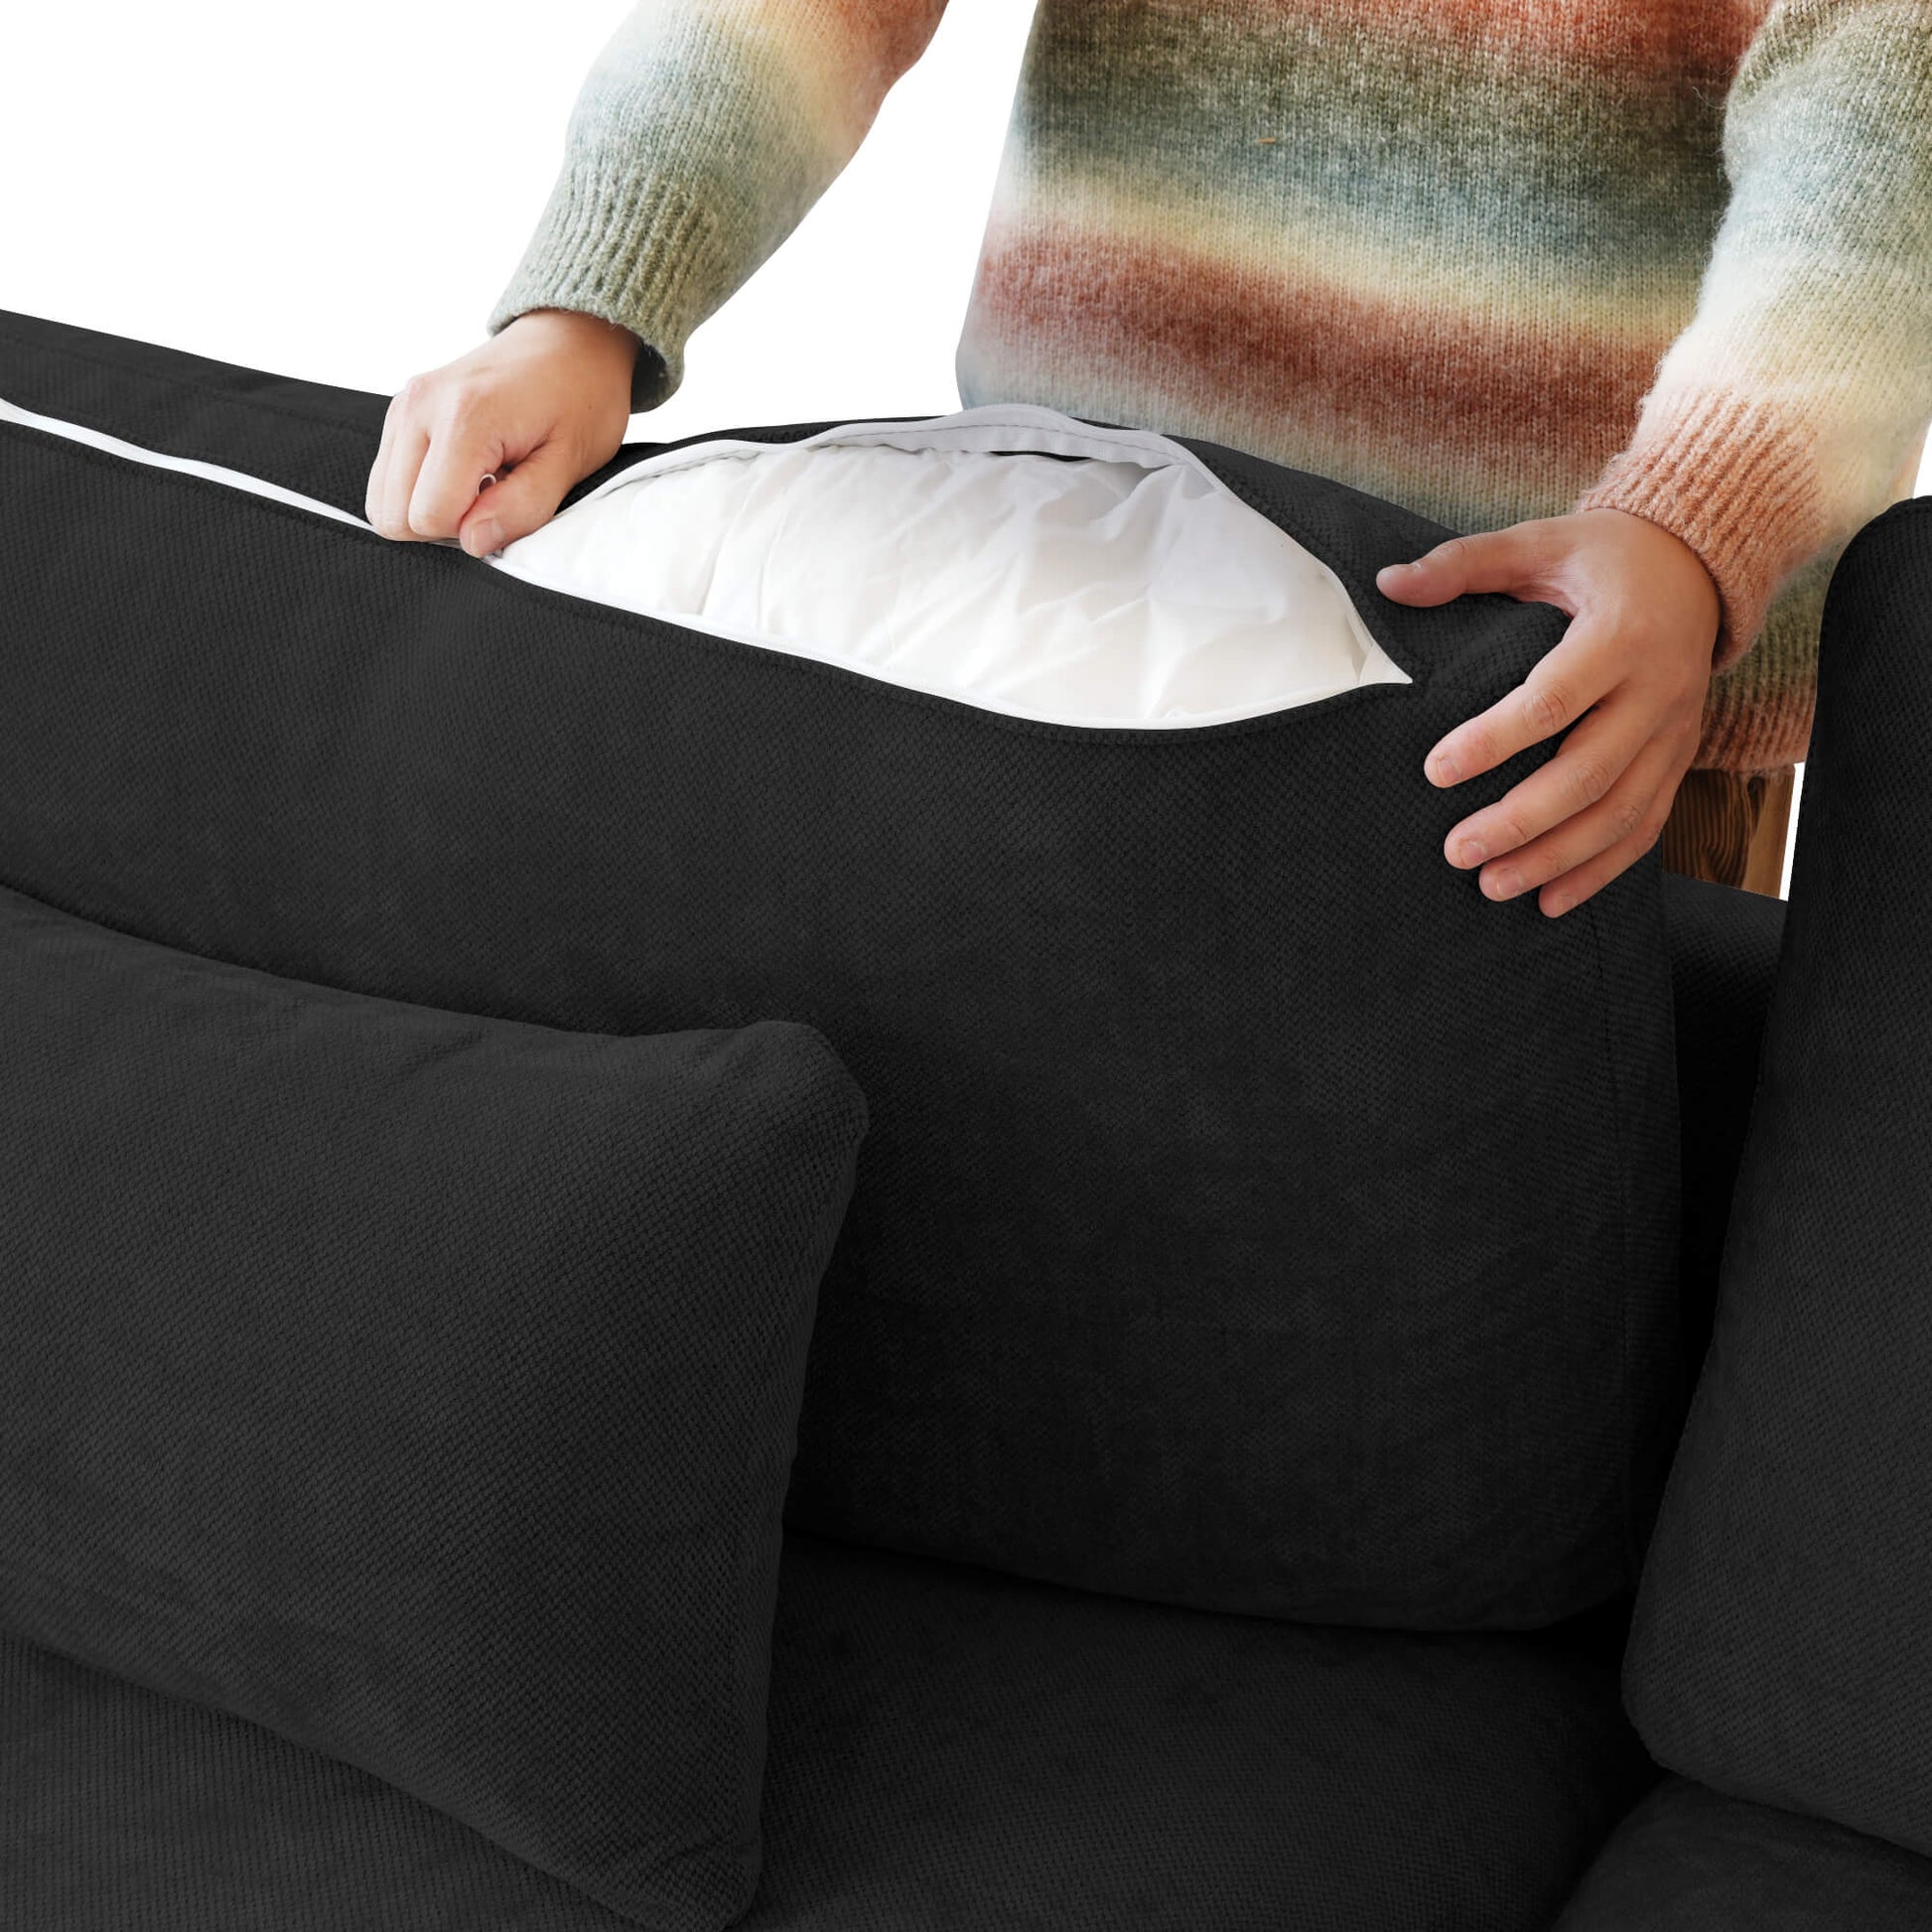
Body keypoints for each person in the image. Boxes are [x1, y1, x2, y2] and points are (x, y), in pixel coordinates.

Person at [364, 1, 1932, 913]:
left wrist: (1694, 527)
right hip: (1065, 615)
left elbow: (1885, 131)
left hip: (1571, 698)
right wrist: (590, 296)